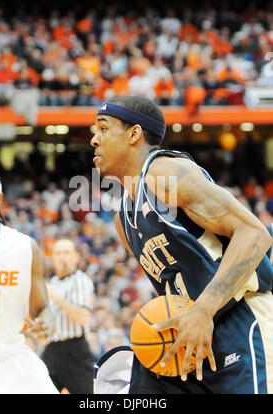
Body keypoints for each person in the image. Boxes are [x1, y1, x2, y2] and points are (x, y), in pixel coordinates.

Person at [91, 95, 273, 394]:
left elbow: (255, 234)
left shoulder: (165, 173)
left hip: (238, 320)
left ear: (134, 134)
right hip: (187, 333)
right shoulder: (123, 217)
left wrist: (203, 311)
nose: (95, 140)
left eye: (103, 128)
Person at [0, 165, 58, 394]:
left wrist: (46, 322)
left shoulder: (24, 247)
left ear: (0, 199)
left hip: (13, 360)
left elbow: (42, 309)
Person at [41, 238, 95, 394]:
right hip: (51, 349)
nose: (62, 257)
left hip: (75, 350)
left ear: (76, 257)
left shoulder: (81, 280)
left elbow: (83, 317)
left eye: (66, 252)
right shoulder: (53, 282)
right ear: (52, 258)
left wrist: (56, 297)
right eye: (58, 253)